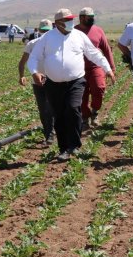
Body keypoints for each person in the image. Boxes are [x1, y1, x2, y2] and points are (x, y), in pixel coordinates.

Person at [27, 8, 115, 161]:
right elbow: (34, 57)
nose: (71, 23)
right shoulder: (47, 38)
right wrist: (35, 72)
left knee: (74, 108)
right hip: (53, 83)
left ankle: (74, 145)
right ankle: (64, 148)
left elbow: (93, 53)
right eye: (67, 20)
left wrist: (107, 69)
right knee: (59, 115)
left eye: (71, 20)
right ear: (58, 23)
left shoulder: (79, 36)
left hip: (76, 80)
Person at [75, 7, 116, 129]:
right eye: (89, 18)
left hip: (96, 66)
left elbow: (106, 49)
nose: (92, 20)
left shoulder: (98, 30)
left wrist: (111, 68)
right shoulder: (74, 31)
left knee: (99, 88)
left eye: (93, 17)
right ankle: (85, 117)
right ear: (81, 18)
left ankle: (95, 112)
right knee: (82, 95)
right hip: (79, 68)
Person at [18, 19, 54, 144]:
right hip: (37, 82)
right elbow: (22, 62)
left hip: (54, 80)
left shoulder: (56, 44)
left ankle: (53, 132)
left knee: (52, 108)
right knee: (43, 109)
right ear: (38, 30)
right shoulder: (32, 44)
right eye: (43, 31)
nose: (45, 33)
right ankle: (48, 134)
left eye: (47, 31)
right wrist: (21, 76)